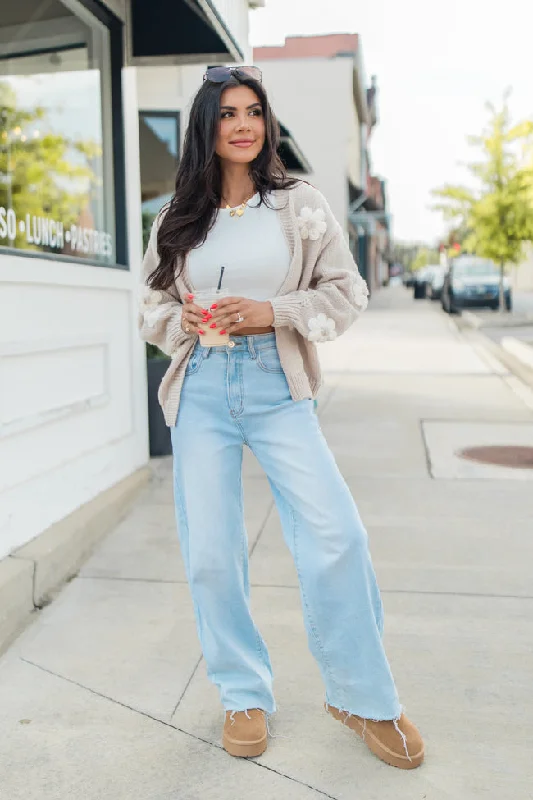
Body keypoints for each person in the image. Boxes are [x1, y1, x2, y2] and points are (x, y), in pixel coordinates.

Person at [139, 66, 424, 770]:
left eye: (255, 112)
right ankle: (241, 693)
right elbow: (149, 310)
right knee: (211, 550)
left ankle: (362, 695)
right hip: (203, 387)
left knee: (337, 533)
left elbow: (346, 291)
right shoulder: (176, 215)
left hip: (277, 384)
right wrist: (186, 319)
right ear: (206, 127)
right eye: (229, 112)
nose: (243, 123)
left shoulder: (298, 204)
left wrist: (274, 312)